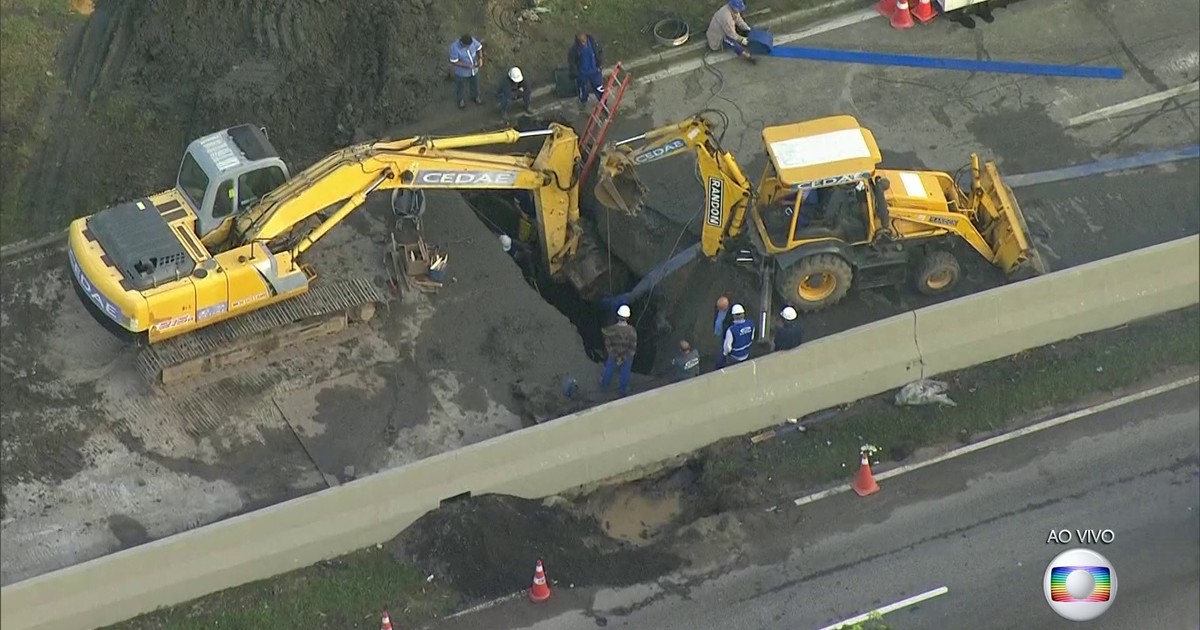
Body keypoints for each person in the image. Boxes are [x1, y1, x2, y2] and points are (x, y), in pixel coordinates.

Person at [600, 304, 638, 397]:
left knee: (609, 369)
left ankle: (604, 385)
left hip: (613, 355)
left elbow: (608, 344)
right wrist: (624, 357)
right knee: (625, 373)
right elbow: (632, 346)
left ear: (618, 316)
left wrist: (615, 356)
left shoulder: (611, 330)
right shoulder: (632, 331)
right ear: (628, 317)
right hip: (627, 356)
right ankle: (622, 390)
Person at [567, 32, 605, 111]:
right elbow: (572, 62)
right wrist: (575, 73)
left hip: (595, 72)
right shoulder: (574, 49)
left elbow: (600, 52)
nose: (582, 41)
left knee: (599, 88)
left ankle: (603, 103)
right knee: (583, 89)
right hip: (582, 74)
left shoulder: (594, 44)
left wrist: (600, 64)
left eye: (583, 38)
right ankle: (583, 102)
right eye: (579, 37)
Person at [449, 33, 484, 109]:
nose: (469, 47)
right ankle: (461, 100)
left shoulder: (472, 41)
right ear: (462, 43)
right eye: (467, 46)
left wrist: (480, 59)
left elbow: (479, 48)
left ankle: (476, 97)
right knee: (460, 87)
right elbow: (454, 61)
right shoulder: (454, 47)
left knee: (475, 85)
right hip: (461, 73)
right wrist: (466, 65)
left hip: (474, 70)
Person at [718, 303, 754, 368]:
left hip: (735, 358)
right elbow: (752, 338)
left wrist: (724, 354)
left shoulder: (731, 330)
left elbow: (728, 348)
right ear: (743, 314)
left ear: (733, 316)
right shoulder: (751, 324)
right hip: (747, 354)